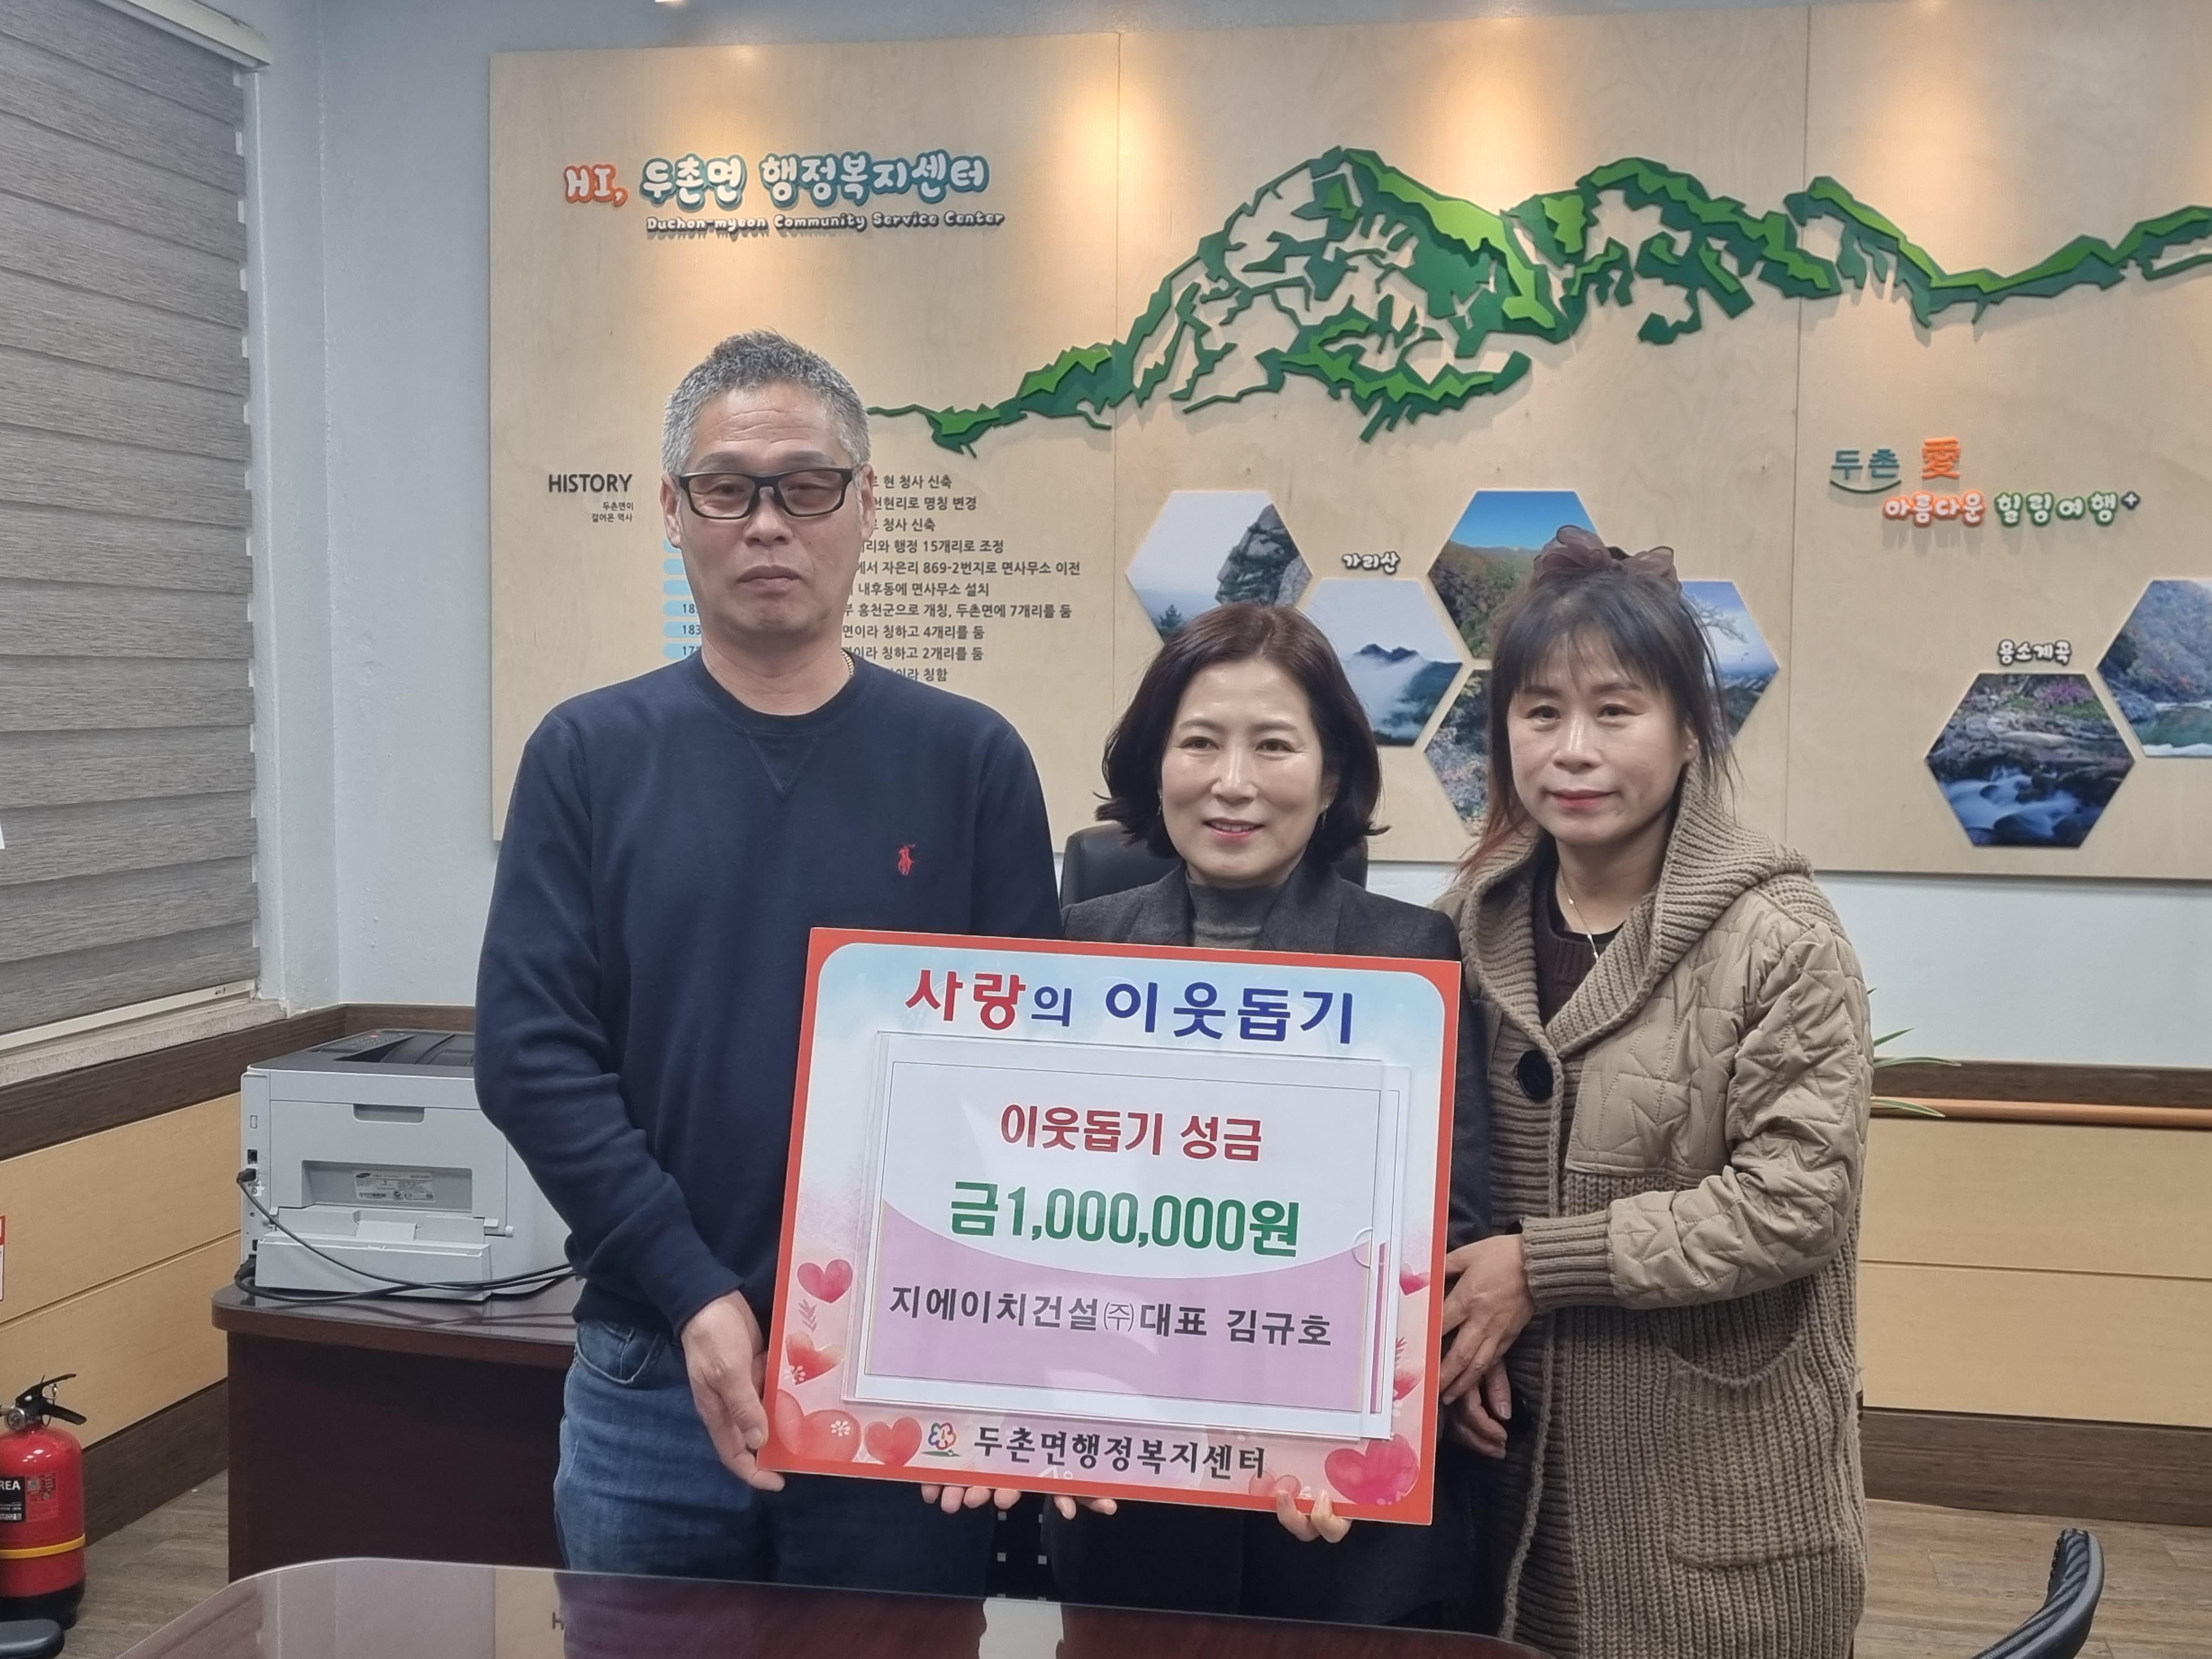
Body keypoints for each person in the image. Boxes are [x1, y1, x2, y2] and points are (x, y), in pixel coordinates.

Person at [474, 331, 1061, 1593]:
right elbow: (530, 1059)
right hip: (651, 1364)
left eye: (807, 485)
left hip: (904, 1367)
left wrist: (988, 1347)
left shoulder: (971, 763)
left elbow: (1024, 1078)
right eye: (727, 489)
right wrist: (695, 1290)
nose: (768, 523)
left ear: (867, 504)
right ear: (672, 510)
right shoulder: (587, 756)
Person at [1432, 527, 1872, 1659]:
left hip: (1707, 1508)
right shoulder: (1467, 927)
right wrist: (1455, 1334)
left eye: (1615, 711)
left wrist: (1540, 1267)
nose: (1574, 750)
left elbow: (1794, 1204)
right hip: (1506, 1484)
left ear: (1687, 731)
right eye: (1541, 713)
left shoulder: (1780, 939)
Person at [1042, 602, 1498, 1628]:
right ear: (1156, 764)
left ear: (1331, 778)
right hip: (1126, 1486)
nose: (1233, 781)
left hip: (1334, 1506)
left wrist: (1336, 1423)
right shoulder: (1077, 950)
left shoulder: (1409, 956)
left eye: (1275, 746)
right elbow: (1032, 1211)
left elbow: (1448, 1226)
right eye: (1200, 742)